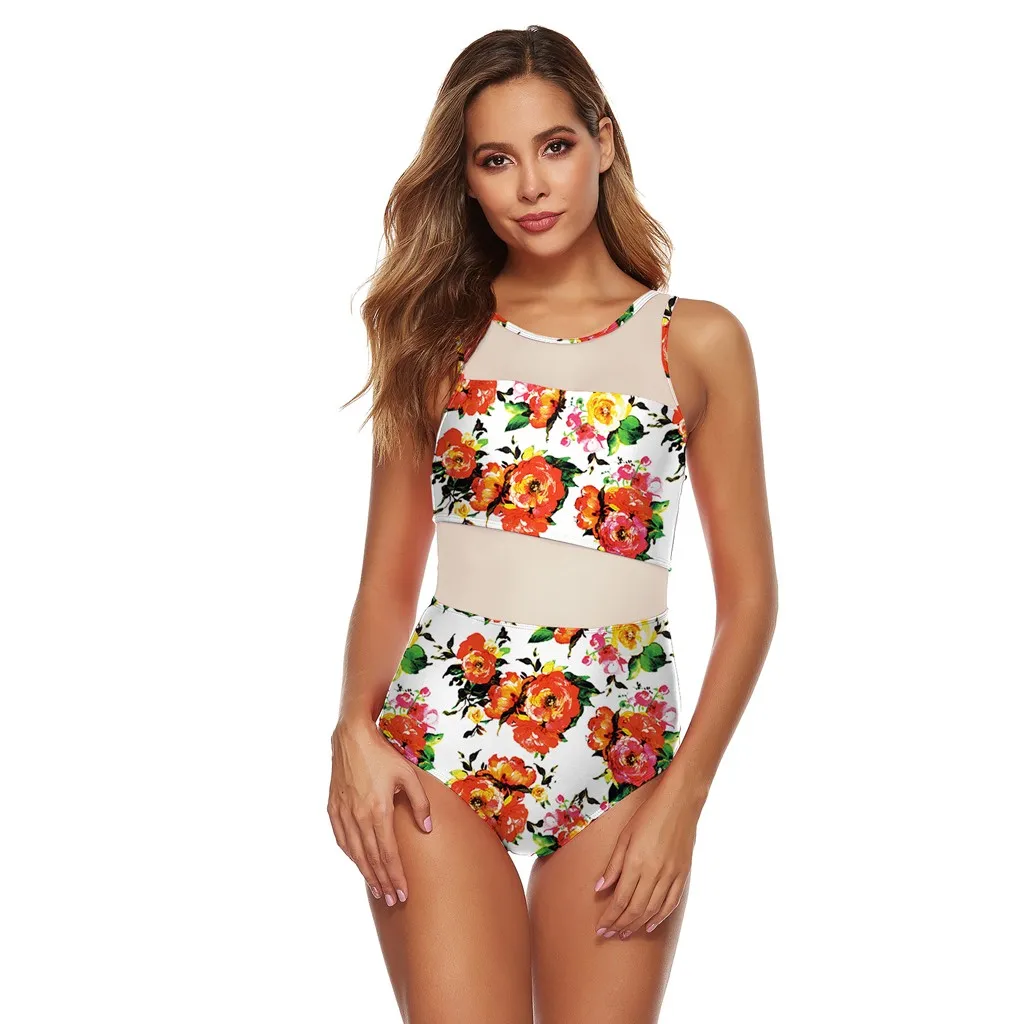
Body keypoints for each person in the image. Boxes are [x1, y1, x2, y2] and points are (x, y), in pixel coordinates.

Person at [328, 24, 777, 1024]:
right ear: (467, 179)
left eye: (555, 146)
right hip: (440, 743)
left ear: (603, 143)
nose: (531, 185)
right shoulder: (436, 338)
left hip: (624, 752)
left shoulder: (695, 341)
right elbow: (385, 582)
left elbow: (751, 601)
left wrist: (683, 800)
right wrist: (352, 728)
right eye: (496, 159)